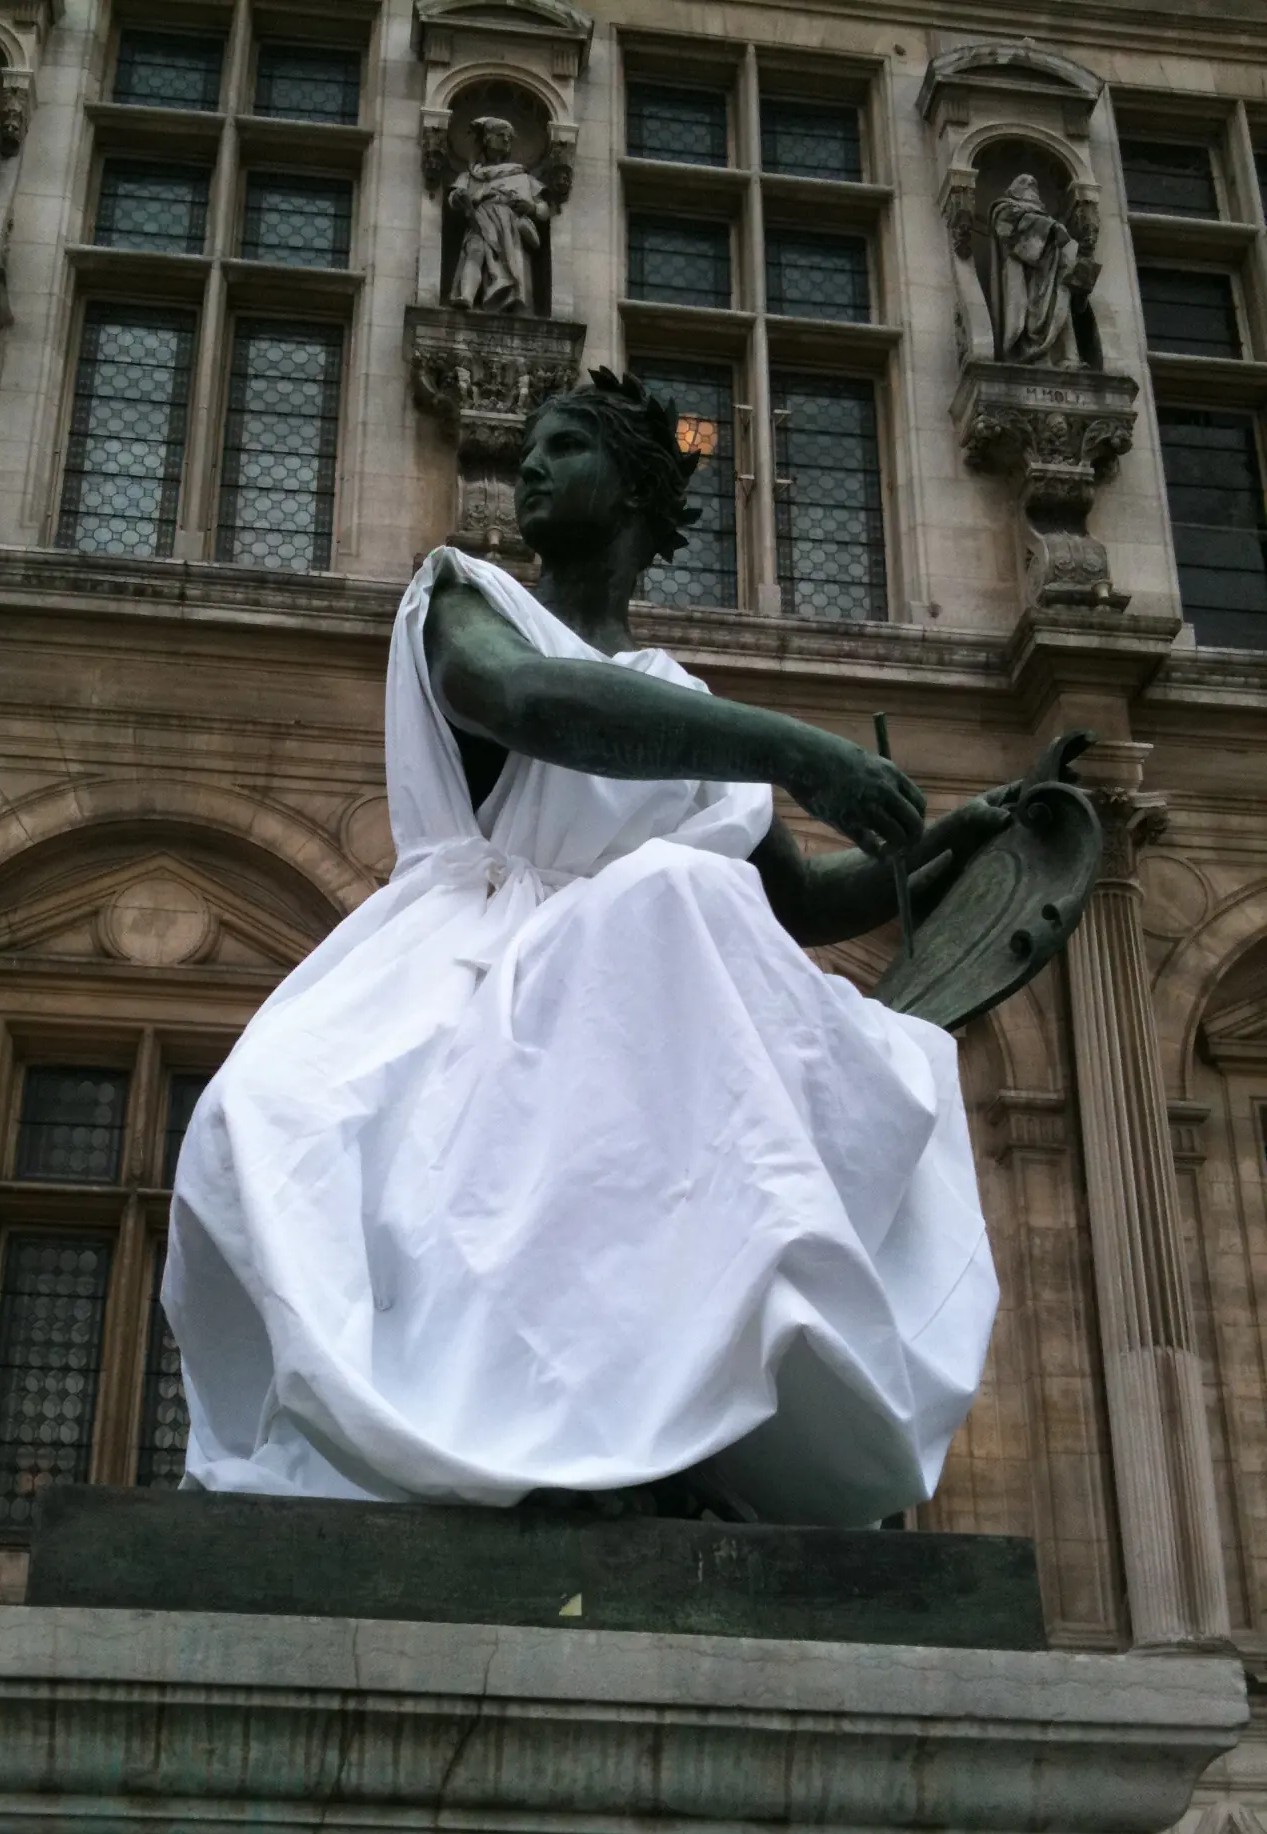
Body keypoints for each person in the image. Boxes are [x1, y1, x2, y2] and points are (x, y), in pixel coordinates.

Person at [165, 368, 1012, 1524]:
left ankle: (648, 1428)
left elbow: (804, 900)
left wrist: (951, 844)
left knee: (678, 900)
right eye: (532, 450)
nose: (528, 468)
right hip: (471, 952)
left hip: (637, 995)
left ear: (628, 491)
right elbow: (524, 699)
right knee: (273, 1117)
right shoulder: (464, 599)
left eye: (563, 448)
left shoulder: (678, 703)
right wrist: (802, 752)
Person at [448, 116, 550, 314]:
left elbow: (544, 209)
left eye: (509, 137)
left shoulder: (521, 176)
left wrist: (530, 208)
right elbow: (453, 199)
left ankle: (506, 298)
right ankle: (467, 296)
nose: (506, 140)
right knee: (475, 249)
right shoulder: (470, 176)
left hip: (509, 228)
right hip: (480, 219)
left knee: (507, 262)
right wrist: (459, 197)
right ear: (486, 139)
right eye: (500, 135)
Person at [988, 171, 1080, 368]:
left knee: (1060, 310)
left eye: (1033, 183)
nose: (1029, 184)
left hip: (1053, 273)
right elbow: (1008, 232)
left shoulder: (1048, 218)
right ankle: (1031, 354)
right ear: (1013, 190)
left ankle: (1064, 357)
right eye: (1023, 182)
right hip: (1024, 273)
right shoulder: (1004, 209)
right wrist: (1051, 228)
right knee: (1028, 314)